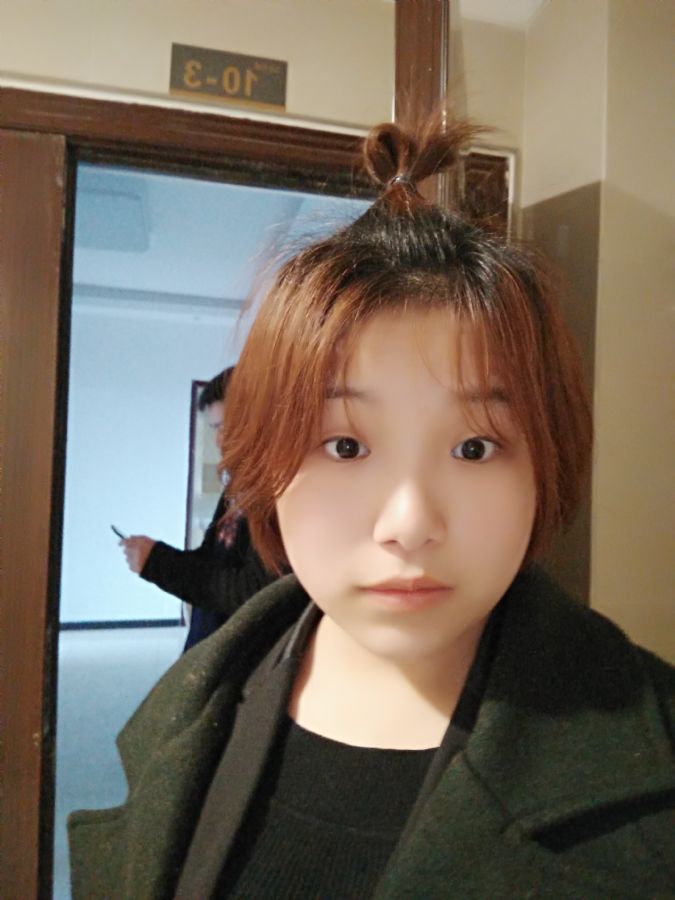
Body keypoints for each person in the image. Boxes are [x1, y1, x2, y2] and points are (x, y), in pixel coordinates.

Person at [69, 114, 675, 899]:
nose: (408, 524)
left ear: (546, 460)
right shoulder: (188, 712)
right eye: (345, 446)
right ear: (267, 464)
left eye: (474, 447)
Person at [120, 368, 277, 650]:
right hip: (213, 645)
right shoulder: (239, 485)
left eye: (225, 427)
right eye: (216, 428)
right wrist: (154, 556)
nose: (219, 440)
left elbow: (255, 593)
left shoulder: (278, 492)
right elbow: (211, 561)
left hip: (242, 656)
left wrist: (158, 562)